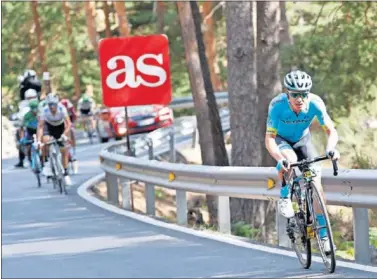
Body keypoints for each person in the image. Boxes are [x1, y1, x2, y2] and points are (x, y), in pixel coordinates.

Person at [265, 70, 340, 253]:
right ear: (287, 93)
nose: (300, 99)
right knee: (289, 160)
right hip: (282, 140)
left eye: (303, 94)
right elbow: (269, 139)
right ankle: (284, 195)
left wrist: (331, 148)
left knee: (316, 186)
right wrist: (279, 159)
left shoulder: (316, 103)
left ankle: (323, 237)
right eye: (295, 95)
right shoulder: (277, 106)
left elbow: (331, 130)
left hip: (303, 140)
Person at [37, 93, 72, 185]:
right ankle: (48, 163)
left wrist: (64, 134)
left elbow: (68, 124)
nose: (52, 107)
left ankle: (66, 172)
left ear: (57, 104)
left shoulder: (62, 109)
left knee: (64, 150)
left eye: (53, 105)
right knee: (46, 141)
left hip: (60, 127)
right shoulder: (44, 111)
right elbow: (40, 127)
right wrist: (38, 141)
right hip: (49, 127)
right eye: (50, 105)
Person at [14, 89, 40, 168]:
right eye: (29, 97)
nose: (31, 99)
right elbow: (19, 115)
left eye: (33, 97)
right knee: (20, 137)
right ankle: (21, 159)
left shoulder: (39, 103)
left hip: (38, 125)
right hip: (26, 124)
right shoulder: (22, 104)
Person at [19, 100, 40, 164]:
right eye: (33, 108)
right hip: (29, 131)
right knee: (26, 144)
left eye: (36, 107)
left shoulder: (40, 114)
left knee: (41, 143)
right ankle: (28, 158)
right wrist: (22, 138)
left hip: (38, 130)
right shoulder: (27, 115)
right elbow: (22, 127)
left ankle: (42, 159)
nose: (35, 110)